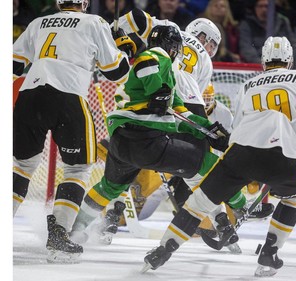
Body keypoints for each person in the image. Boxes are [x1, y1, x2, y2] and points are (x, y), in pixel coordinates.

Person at [142, 36, 296, 277]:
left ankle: (162, 251)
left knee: (200, 202)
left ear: (264, 61)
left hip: (239, 153)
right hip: (281, 155)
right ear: (289, 60)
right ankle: (269, 253)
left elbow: (237, 128)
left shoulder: (248, 85)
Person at [69, 24, 230, 247]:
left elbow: (137, 24)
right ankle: (224, 217)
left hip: (120, 135)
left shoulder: (149, 55)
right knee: (202, 164)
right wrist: (208, 129)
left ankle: (75, 229)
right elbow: (177, 105)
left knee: (109, 185)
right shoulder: (161, 57)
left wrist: (118, 34)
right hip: (147, 139)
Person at [13, 0, 136, 263]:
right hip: (68, 97)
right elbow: (116, 72)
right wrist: (124, 49)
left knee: (22, 166)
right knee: (78, 168)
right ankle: (58, 235)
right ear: (84, 3)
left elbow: (12, 65)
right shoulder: (95, 22)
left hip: (29, 96)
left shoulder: (37, 22)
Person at [238, 0, 296, 71]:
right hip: (258, 69)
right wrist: (267, 66)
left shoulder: (283, 22)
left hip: (285, 68)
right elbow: (247, 50)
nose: (264, 10)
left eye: (267, 6)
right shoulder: (247, 25)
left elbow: (294, 46)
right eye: (260, 6)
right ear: (255, 8)